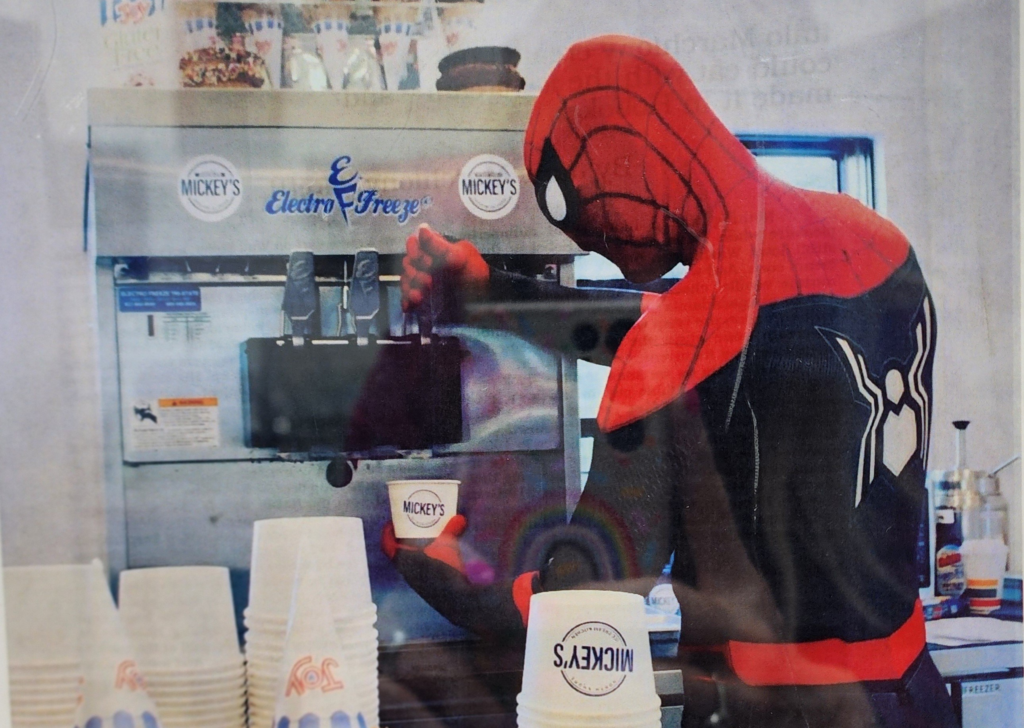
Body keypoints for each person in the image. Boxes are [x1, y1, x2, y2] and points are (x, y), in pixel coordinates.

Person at [384, 35, 957, 727]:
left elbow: (571, 609)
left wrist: (440, 563)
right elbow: (734, 341)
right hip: (913, 696)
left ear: (619, 158)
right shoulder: (878, 243)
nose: (582, 242)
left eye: (568, 204)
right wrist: (488, 295)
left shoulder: (682, 342)